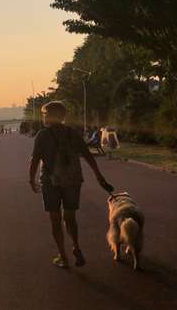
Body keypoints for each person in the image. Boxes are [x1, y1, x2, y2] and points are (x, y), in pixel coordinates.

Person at [28, 101, 114, 268]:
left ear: (50, 116)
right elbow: (87, 155)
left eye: (45, 114)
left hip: (50, 182)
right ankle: (76, 246)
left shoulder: (42, 135)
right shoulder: (72, 133)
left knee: (55, 219)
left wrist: (31, 180)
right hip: (73, 180)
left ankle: (63, 256)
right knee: (70, 217)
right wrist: (98, 175)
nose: (43, 117)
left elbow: (35, 160)